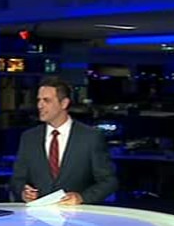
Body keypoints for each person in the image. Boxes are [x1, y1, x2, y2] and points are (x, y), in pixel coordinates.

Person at [10, 77, 118, 205]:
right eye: (39, 100)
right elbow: (17, 180)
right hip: (38, 214)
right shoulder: (29, 138)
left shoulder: (90, 137)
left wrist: (82, 197)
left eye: (46, 100)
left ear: (64, 103)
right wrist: (24, 192)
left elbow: (108, 182)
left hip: (77, 214)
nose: (39, 105)